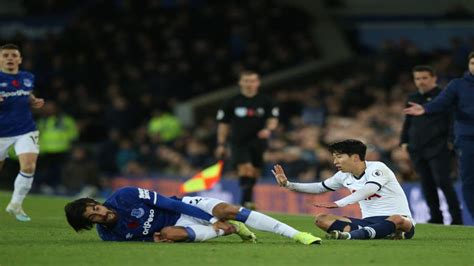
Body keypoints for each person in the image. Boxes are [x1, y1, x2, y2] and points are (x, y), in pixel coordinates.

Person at [65, 186, 321, 245]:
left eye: (96, 208)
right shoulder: (110, 237)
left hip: (185, 206)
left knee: (228, 210)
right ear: (90, 224)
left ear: (97, 202)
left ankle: (298, 234)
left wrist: (211, 218)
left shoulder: (125, 196)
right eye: (94, 218)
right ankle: (229, 230)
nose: (101, 214)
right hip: (179, 226)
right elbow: (148, 242)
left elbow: (171, 204)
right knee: (167, 234)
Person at [272, 139, 415, 240]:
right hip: (368, 222)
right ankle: (379, 233)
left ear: (355, 157)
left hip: (400, 222)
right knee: (321, 219)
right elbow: (319, 187)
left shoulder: (378, 167)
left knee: (398, 219)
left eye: (339, 157)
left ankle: (352, 235)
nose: (335, 162)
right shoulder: (343, 176)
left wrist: (339, 203)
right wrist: (288, 184)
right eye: (334, 157)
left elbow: (370, 189)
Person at [404, 52, 474, 220]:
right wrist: (426, 108)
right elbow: (441, 102)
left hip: (441, 145)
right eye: (472, 62)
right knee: (469, 182)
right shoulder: (458, 85)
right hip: (468, 140)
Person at [215, 70, 279, 209]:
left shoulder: (266, 101)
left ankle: (246, 199)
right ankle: (245, 202)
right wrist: (221, 143)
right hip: (238, 142)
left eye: (252, 81)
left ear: (258, 83)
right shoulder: (231, 101)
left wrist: (268, 130)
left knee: (254, 171)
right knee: (246, 169)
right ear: (240, 82)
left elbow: (273, 120)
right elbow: (223, 124)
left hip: (258, 142)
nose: (249, 84)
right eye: (246, 81)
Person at [0, 43, 44, 222]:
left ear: (19, 59)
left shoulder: (28, 77)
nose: (10, 58)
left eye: (13, 55)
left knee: (28, 166)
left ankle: (16, 204)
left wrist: (34, 101)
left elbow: (26, 94)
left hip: (25, 129)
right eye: (5, 55)